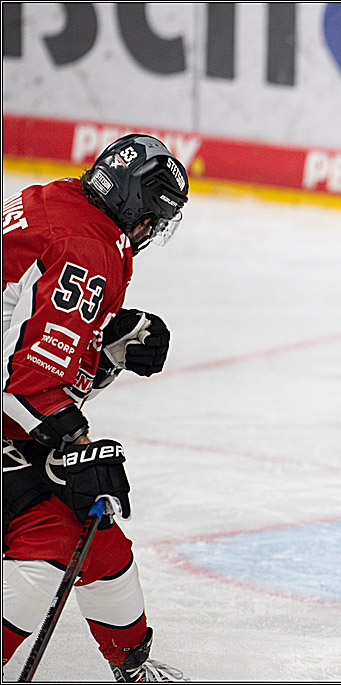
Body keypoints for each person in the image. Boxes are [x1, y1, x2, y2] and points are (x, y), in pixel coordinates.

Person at [3, 134, 189, 681]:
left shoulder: (55, 200)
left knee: (97, 537)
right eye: (153, 216)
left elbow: (26, 340)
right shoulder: (87, 251)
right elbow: (25, 386)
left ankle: (133, 665)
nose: (152, 230)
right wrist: (77, 445)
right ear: (132, 202)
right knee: (53, 539)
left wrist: (105, 344)